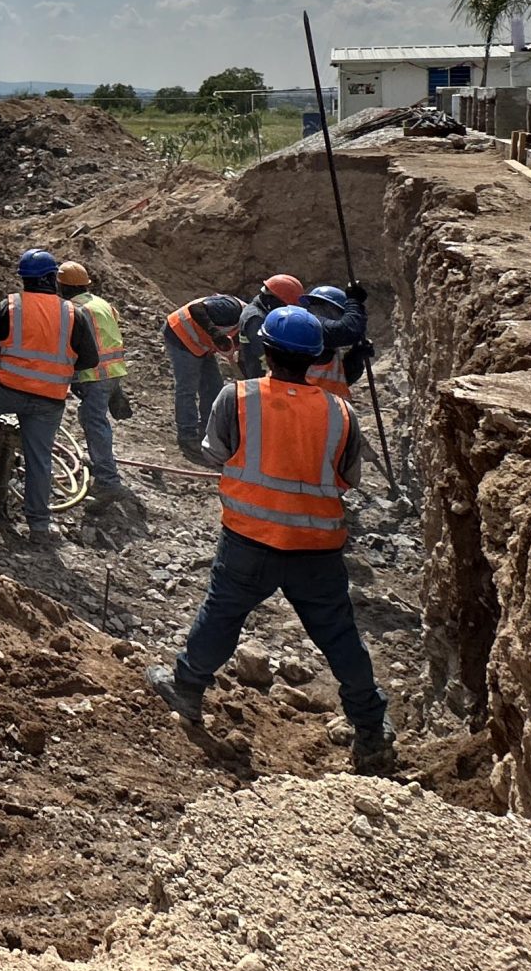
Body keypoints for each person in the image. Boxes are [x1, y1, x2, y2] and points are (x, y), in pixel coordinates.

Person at [147, 304, 396, 774]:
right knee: (341, 637)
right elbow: (349, 478)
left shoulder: (236, 397)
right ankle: (370, 729)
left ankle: (187, 687)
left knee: (221, 615)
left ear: (265, 349)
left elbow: (217, 454)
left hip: (249, 538)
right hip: (316, 548)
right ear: (315, 356)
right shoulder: (341, 412)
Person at [0, 248, 100, 543]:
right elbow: (89, 360)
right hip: (49, 400)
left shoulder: (10, 306)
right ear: (53, 279)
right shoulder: (73, 314)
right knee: (39, 459)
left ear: (24, 279)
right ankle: (39, 526)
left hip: (5, 390)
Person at [56, 260, 142, 513]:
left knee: (94, 422)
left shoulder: (72, 309)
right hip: (113, 370)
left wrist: (73, 377)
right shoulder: (100, 303)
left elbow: (73, 344)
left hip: (95, 373)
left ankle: (107, 481)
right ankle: (101, 464)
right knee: (93, 417)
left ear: (62, 286)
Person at [162, 293, 245, 463]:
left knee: (214, 387)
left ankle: (209, 432)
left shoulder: (249, 328)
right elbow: (196, 309)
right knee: (187, 389)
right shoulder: (232, 310)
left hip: (202, 345)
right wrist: (215, 334)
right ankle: (187, 436)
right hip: (180, 334)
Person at [302, 282, 372, 404]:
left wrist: (355, 357)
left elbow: (339, 380)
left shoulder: (328, 345)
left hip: (326, 412)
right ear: (329, 308)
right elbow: (350, 330)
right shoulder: (310, 327)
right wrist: (354, 302)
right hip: (308, 409)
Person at [236, 274, 306, 378]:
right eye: (285, 305)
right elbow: (264, 355)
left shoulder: (262, 311)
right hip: (260, 375)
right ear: (273, 300)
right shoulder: (255, 319)